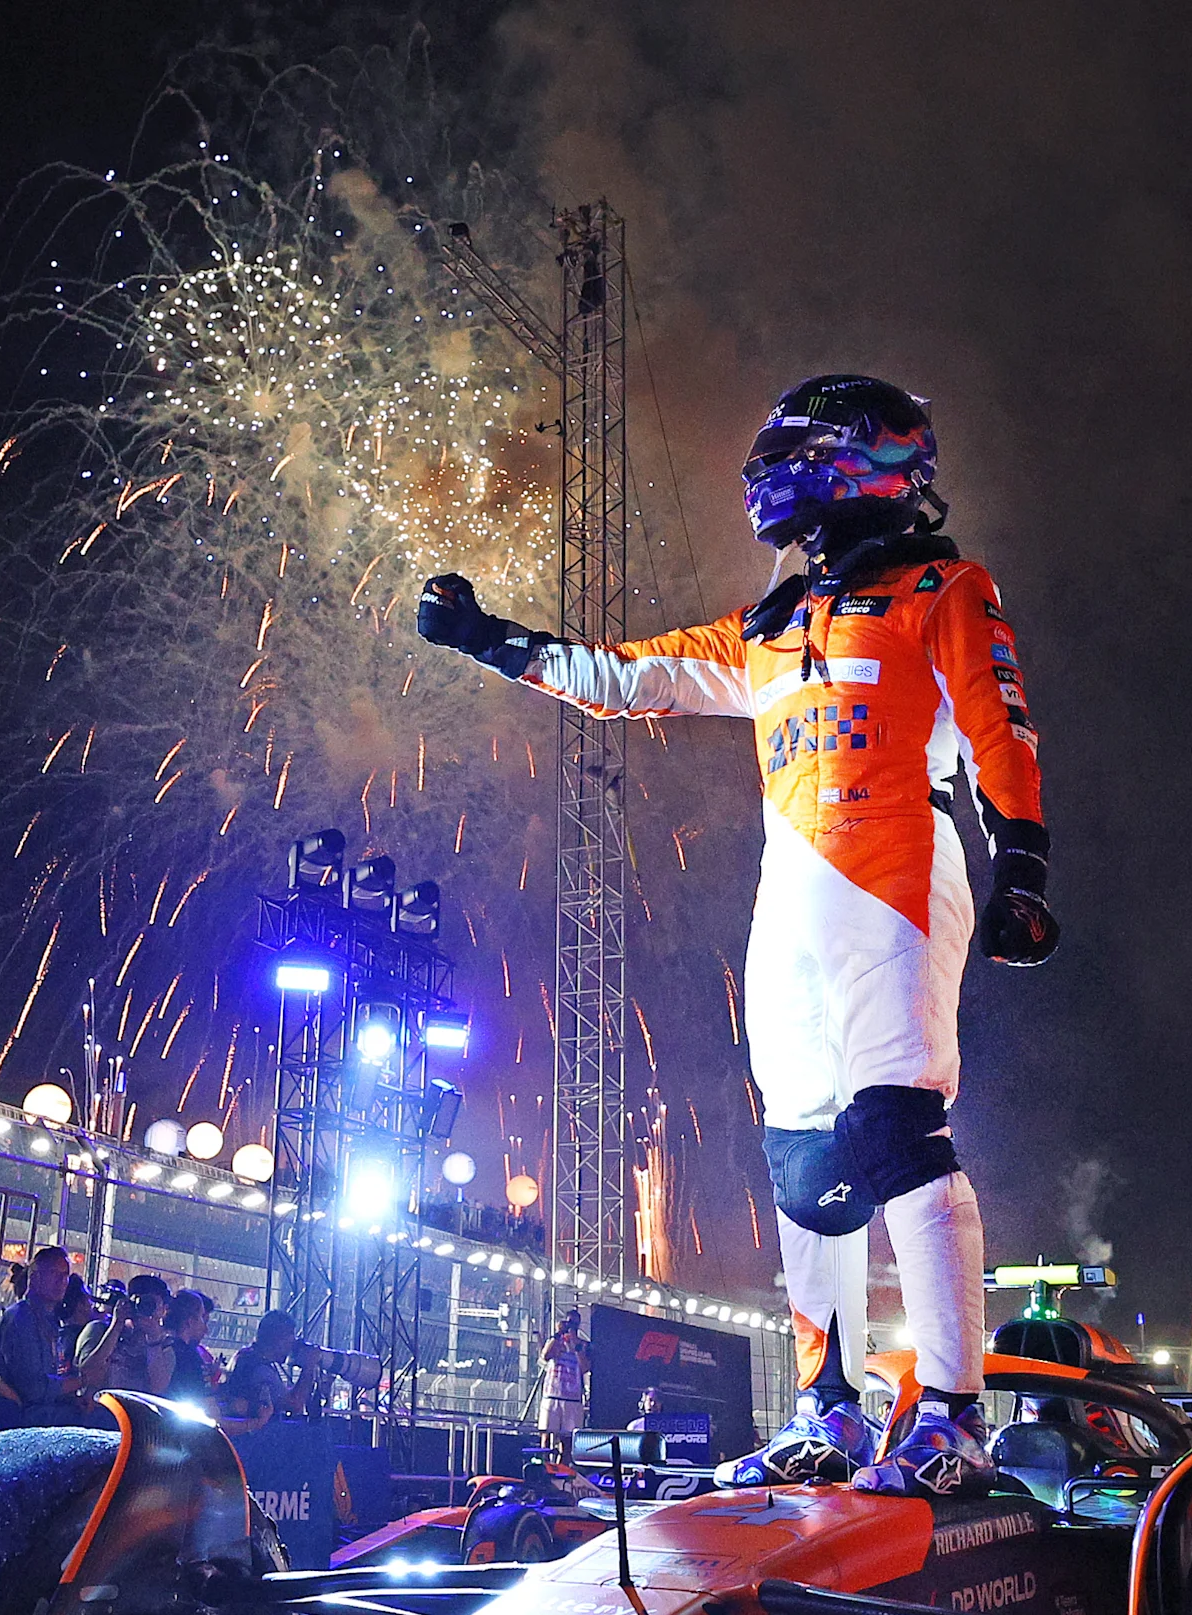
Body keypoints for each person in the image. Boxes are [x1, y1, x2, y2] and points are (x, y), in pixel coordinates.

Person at [421, 373, 1052, 1496]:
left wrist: (1024, 868)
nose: (767, 469)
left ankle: (949, 1417)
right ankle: (831, 1410)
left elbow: (1000, 725)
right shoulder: (765, 628)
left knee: (899, 1129)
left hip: (898, 871)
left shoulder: (940, 587)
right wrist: (492, 642)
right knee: (805, 1158)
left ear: (867, 457)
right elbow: (626, 677)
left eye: (794, 447)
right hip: (791, 903)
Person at [0, 1245, 117, 1407]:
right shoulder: (21, 1319)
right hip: (18, 1419)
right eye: (54, 1273)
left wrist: (71, 1401)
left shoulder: (48, 1320)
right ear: (35, 1278)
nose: (61, 1282)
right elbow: (33, 1389)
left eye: (65, 1275)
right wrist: (83, 1380)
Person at [537, 1310, 588, 1457]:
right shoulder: (555, 1342)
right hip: (552, 1394)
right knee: (546, 1435)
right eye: (568, 1322)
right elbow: (545, 1356)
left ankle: (562, 1469)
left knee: (567, 1440)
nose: (570, 1325)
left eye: (573, 1323)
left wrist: (574, 1342)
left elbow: (584, 1367)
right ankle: (544, 1466)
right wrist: (558, 1334)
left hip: (572, 1398)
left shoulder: (583, 1345)